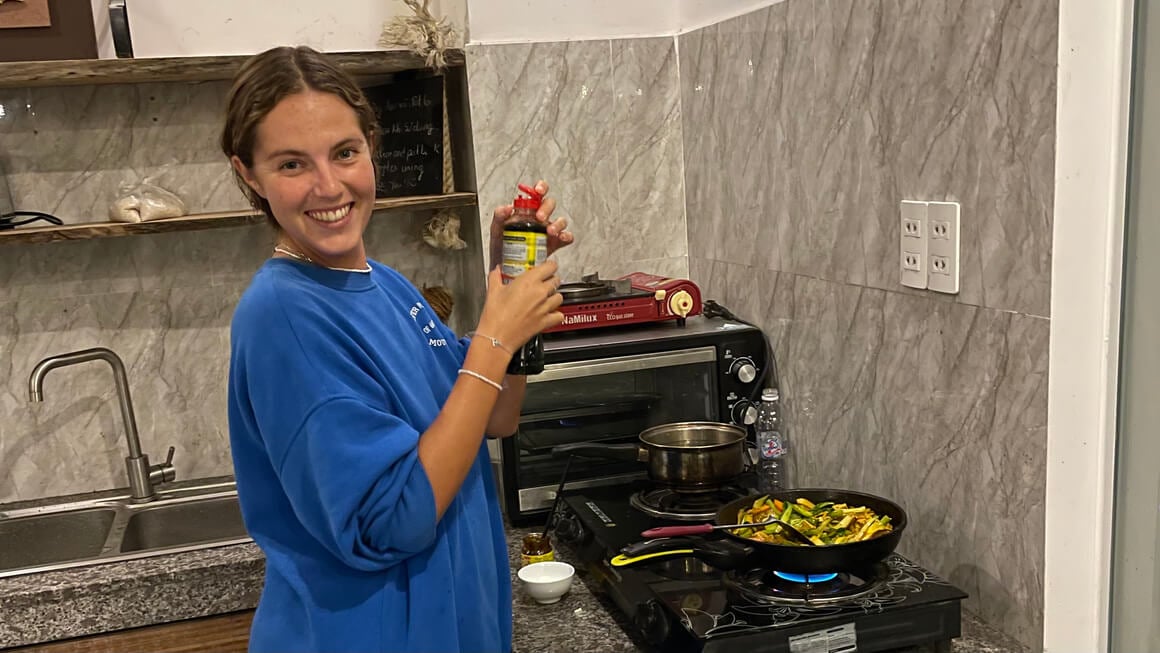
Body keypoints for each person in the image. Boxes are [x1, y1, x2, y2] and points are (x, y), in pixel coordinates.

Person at [219, 45, 573, 653]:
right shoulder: (285, 315)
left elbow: (495, 416)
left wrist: (510, 288)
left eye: (345, 152)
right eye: (291, 164)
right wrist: (493, 338)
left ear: (371, 147)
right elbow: (388, 524)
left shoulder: (384, 284)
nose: (328, 185)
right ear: (248, 173)